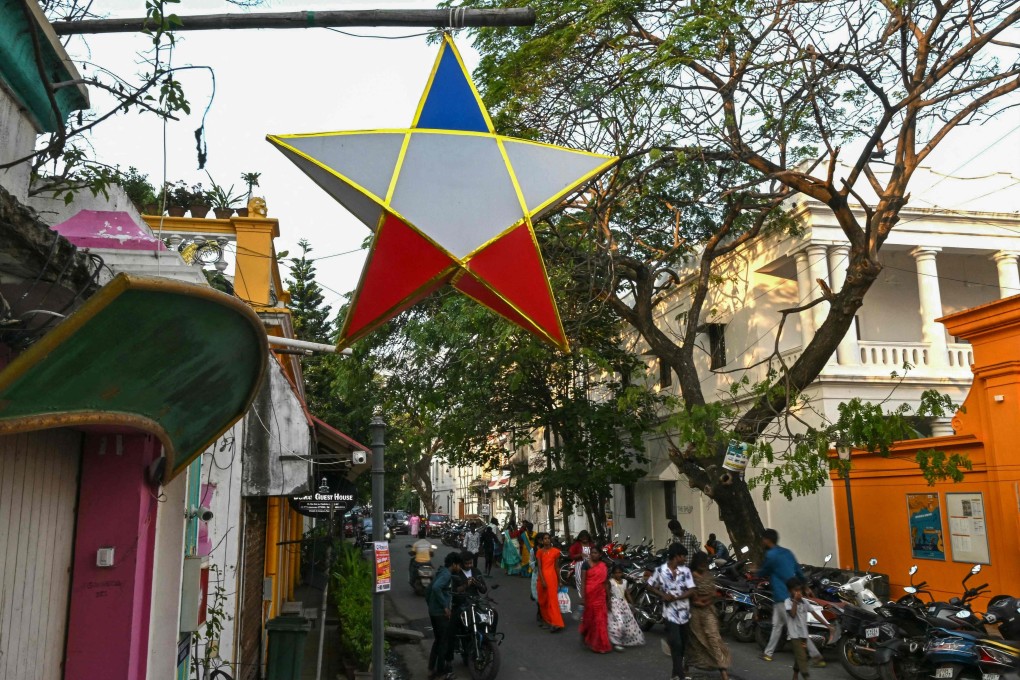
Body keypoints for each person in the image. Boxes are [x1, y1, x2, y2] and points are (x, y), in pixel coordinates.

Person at [757, 529, 825, 665]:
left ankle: (816, 657)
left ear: (767, 540)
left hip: (783, 596)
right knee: (777, 625)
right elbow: (799, 572)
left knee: (796, 628)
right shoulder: (788, 553)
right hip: (789, 594)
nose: (762, 542)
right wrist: (805, 586)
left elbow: (763, 572)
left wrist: (756, 571)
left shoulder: (771, 555)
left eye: (763, 539)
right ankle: (768, 653)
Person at [647, 543, 696, 680]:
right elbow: (649, 586)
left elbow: (691, 590)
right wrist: (663, 595)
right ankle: (680, 674)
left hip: (684, 613)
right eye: (683, 556)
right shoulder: (660, 571)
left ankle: (675, 673)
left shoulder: (686, 571)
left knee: (683, 644)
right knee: (676, 642)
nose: (685, 559)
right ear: (676, 556)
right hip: (670, 613)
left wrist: (678, 597)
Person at [688, 551, 731, 679]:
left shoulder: (709, 575)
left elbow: (713, 593)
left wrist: (706, 600)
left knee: (714, 638)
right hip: (694, 612)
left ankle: (723, 670)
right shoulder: (690, 576)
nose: (703, 566)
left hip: (708, 610)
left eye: (704, 563)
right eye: (701, 564)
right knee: (696, 640)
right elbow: (690, 594)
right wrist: (698, 601)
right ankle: (686, 667)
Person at [427, 552, 463, 680]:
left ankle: (431, 669)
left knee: (438, 641)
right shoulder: (446, 574)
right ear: (454, 564)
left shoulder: (441, 572)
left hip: (433, 611)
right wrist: (445, 606)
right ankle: (441, 672)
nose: (459, 568)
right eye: (459, 565)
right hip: (439, 613)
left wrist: (431, 605)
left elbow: (430, 589)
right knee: (443, 642)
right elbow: (436, 588)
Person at [787, 577, 829, 680]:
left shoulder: (805, 602)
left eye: (799, 590)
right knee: (802, 657)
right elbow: (792, 614)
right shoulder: (788, 602)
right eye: (795, 590)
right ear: (790, 591)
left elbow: (815, 614)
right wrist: (796, 602)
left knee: (800, 656)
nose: (798, 592)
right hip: (794, 635)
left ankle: (795, 675)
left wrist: (828, 625)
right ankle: (806, 677)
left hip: (804, 636)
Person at [579, 544, 612, 653]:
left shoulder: (603, 566)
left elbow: (606, 583)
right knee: (589, 618)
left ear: (600, 554)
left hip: (600, 595)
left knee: (600, 620)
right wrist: (583, 597)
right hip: (589, 594)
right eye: (592, 553)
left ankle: (599, 644)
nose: (593, 555)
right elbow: (583, 581)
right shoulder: (585, 565)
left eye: (596, 553)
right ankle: (586, 633)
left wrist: (608, 598)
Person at [608, 563, 645, 650]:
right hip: (614, 604)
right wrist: (608, 602)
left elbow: (627, 593)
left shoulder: (625, 582)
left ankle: (620, 641)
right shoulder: (611, 582)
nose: (618, 574)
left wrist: (632, 604)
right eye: (616, 573)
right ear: (613, 574)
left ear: (622, 573)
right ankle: (616, 643)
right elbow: (608, 593)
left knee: (626, 623)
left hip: (623, 604)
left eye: (620, 572)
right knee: (618, 623)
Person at [536, 533, 565, 632]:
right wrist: (543, 580)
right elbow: (539, 567)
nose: (547, 540)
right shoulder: (539, 552)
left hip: (552, 578)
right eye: (545, 538)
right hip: (542, 579)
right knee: (543, 601)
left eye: (548, 538)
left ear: (550, 540)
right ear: (542, 541)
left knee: (552, 601)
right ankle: (548, 621)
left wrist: (560, 580)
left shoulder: (556, 552)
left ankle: (556, 623)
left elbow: (557, 567)